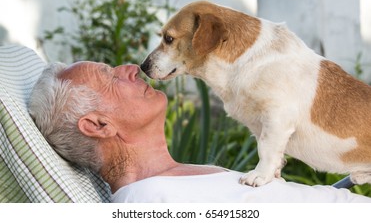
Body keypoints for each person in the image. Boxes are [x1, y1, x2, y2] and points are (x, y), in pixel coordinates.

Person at [28, 61, 371, 203]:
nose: (132, 68)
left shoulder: (177, 180)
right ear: (98, 126)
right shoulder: (152, 201)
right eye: (109, 77)